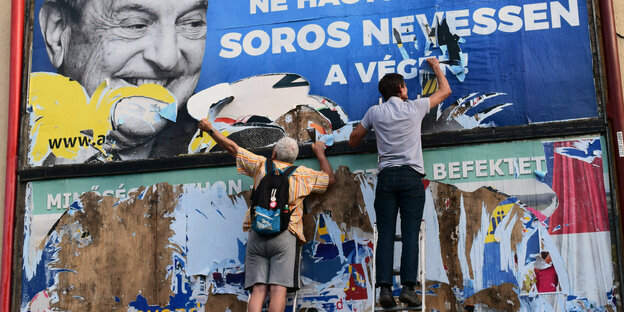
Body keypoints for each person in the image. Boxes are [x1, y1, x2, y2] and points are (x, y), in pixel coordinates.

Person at [38, 0, 208, 159]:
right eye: (135, 25)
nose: (167, 60)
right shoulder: (26, 143)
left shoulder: (216, 148)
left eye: (192, 23)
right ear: (58, 34)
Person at [198, 118, 335, 312]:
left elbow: (233, 148)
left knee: (258, 289)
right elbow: (330, 179)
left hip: (257, 233)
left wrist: (210, 129)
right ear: (294, 159)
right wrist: (320, 153)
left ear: (273, 153)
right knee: (278, 289)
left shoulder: (261, 165)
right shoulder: (303, 174)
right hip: (285, 235)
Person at [348, 58, 451, 308]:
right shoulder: (415, 107)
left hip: (386, 178)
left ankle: (384, 290)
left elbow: (353, 140)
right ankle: (407, 289)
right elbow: (446, 91)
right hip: (411, 178)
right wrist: (436, 66)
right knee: (409, 235)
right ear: (403, 88)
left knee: (384, 235)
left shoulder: (374, 112)